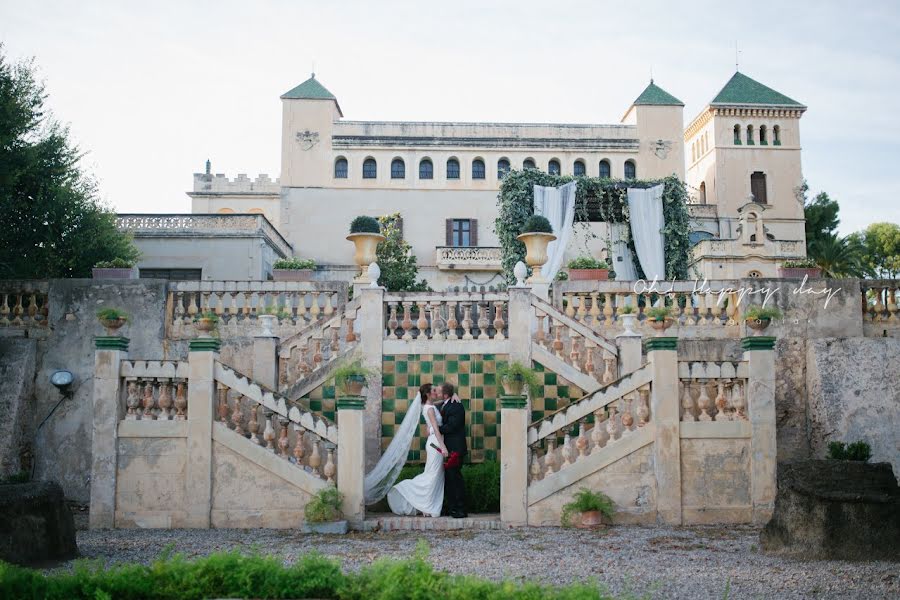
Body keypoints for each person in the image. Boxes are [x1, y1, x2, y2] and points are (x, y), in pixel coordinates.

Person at [386, 384, 448, 517]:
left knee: (435, 475)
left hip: (434, 442)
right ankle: (408, 491)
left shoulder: (428, 406)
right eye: (433, 391)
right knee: (432, 474)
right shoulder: (430, 409)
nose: (436, 392)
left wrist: (451, 396)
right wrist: (442, 447)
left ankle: (426, 504)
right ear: (427, 394)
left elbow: (435, 410)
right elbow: (436, 429)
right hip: (436, 443)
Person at [438, 382, 468, 518]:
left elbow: (452, 426)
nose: (436, 393)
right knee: (449, 479)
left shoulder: (457, 406)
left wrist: (435, 429)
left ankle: (461, 509)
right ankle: (452, 507)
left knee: (455, 479)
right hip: (447, 448)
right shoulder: (445, 403)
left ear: (445, 394)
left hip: (455, 449)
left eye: (438, 391)